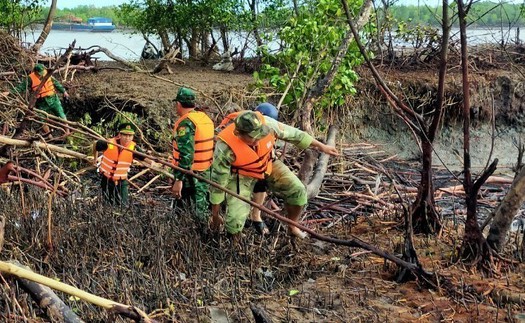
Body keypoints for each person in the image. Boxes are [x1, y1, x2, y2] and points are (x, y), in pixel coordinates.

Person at [209, 110, 339, 242]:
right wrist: (215, 214)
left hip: (267, 164)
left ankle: (292, 226)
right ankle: (234, 243)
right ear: (238, 133)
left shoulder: (268, 124)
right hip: (241, 175)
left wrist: (322, 146)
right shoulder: (224, 147)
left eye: (260, 135)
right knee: (234, 221)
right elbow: (218, 183)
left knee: (298, 191)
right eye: (252, 137)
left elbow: (295, 134)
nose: (257, 140)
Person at [217, 102, 280, 235]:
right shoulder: (240, 126)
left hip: (255, 167)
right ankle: (231, 216)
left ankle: (255, 216)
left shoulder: (266, 128)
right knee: (231, 196)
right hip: (235, 168)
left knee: (261, 182)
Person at [171, 87, 215, 224]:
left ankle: (189, 236)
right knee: (201, 206)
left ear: (178, 104)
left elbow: (186, 156)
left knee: (186, 210)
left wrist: (178, 180)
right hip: (205, 171)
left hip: (190, 175)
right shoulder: (204, 118)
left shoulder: (186, 123)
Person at [2, 64, 70, 136]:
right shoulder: (30, 78)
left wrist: (64, 91)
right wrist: (9, 92)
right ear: (35, 72)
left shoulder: (47, 73)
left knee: (61, 114)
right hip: (41, 102)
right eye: (39, 74)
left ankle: (67, 132)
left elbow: (56, 83)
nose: (41, 75)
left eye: (42, 73)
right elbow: (20, 87)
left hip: (53, 98)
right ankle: (49, 136)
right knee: (42, 119)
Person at [93, 123, 150, 206]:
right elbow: (95, 144)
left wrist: (154, 163)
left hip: (121, 181)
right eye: (125, 135)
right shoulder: (109, 143)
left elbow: (145, 158)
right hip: (107, 179)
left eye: (130, 136)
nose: (127, 138)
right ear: (120, 135)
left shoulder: (133, 148)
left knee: (123, 205)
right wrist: (94, 159)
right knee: (106, 204)